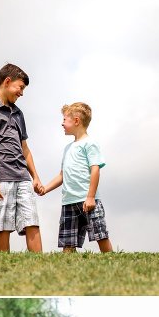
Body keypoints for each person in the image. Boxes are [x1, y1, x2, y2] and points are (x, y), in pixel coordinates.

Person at [0, 63, 45, 252]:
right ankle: (3, 264)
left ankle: (40, 264)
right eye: (20, 87)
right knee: (3, 226)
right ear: (7, 81)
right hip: (0, 177)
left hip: (22, 177)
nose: (22, 93)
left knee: (31, 221)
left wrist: (35, 177)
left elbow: (25, 148)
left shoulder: (18, 113)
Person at [43, 102, 113, 253]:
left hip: (88, 201)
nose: (62, 123)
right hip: (68, 202)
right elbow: (62, 175)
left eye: (64, 119)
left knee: (100, 235)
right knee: (68, 243)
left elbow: (95, 170)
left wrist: (90, 197)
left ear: (76, 121)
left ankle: (111, 259)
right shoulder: (67, 148)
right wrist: (45, 189)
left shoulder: (90, 144)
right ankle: (67, 266)